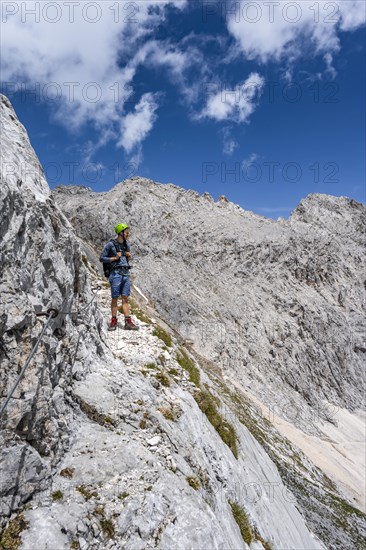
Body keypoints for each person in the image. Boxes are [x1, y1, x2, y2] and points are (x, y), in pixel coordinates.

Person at [99, 223, 139, 331]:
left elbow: (125, 259)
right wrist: (115, 258)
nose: (128, 234)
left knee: (125, 297)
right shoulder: (110, 245)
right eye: (126, 232)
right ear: (121, 233)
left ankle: (128, 321)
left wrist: (128, 256)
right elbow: (102, 258)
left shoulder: (126, 245)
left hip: (125, 273)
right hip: (116, 273)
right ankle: (113, 320)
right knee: (115, 297)